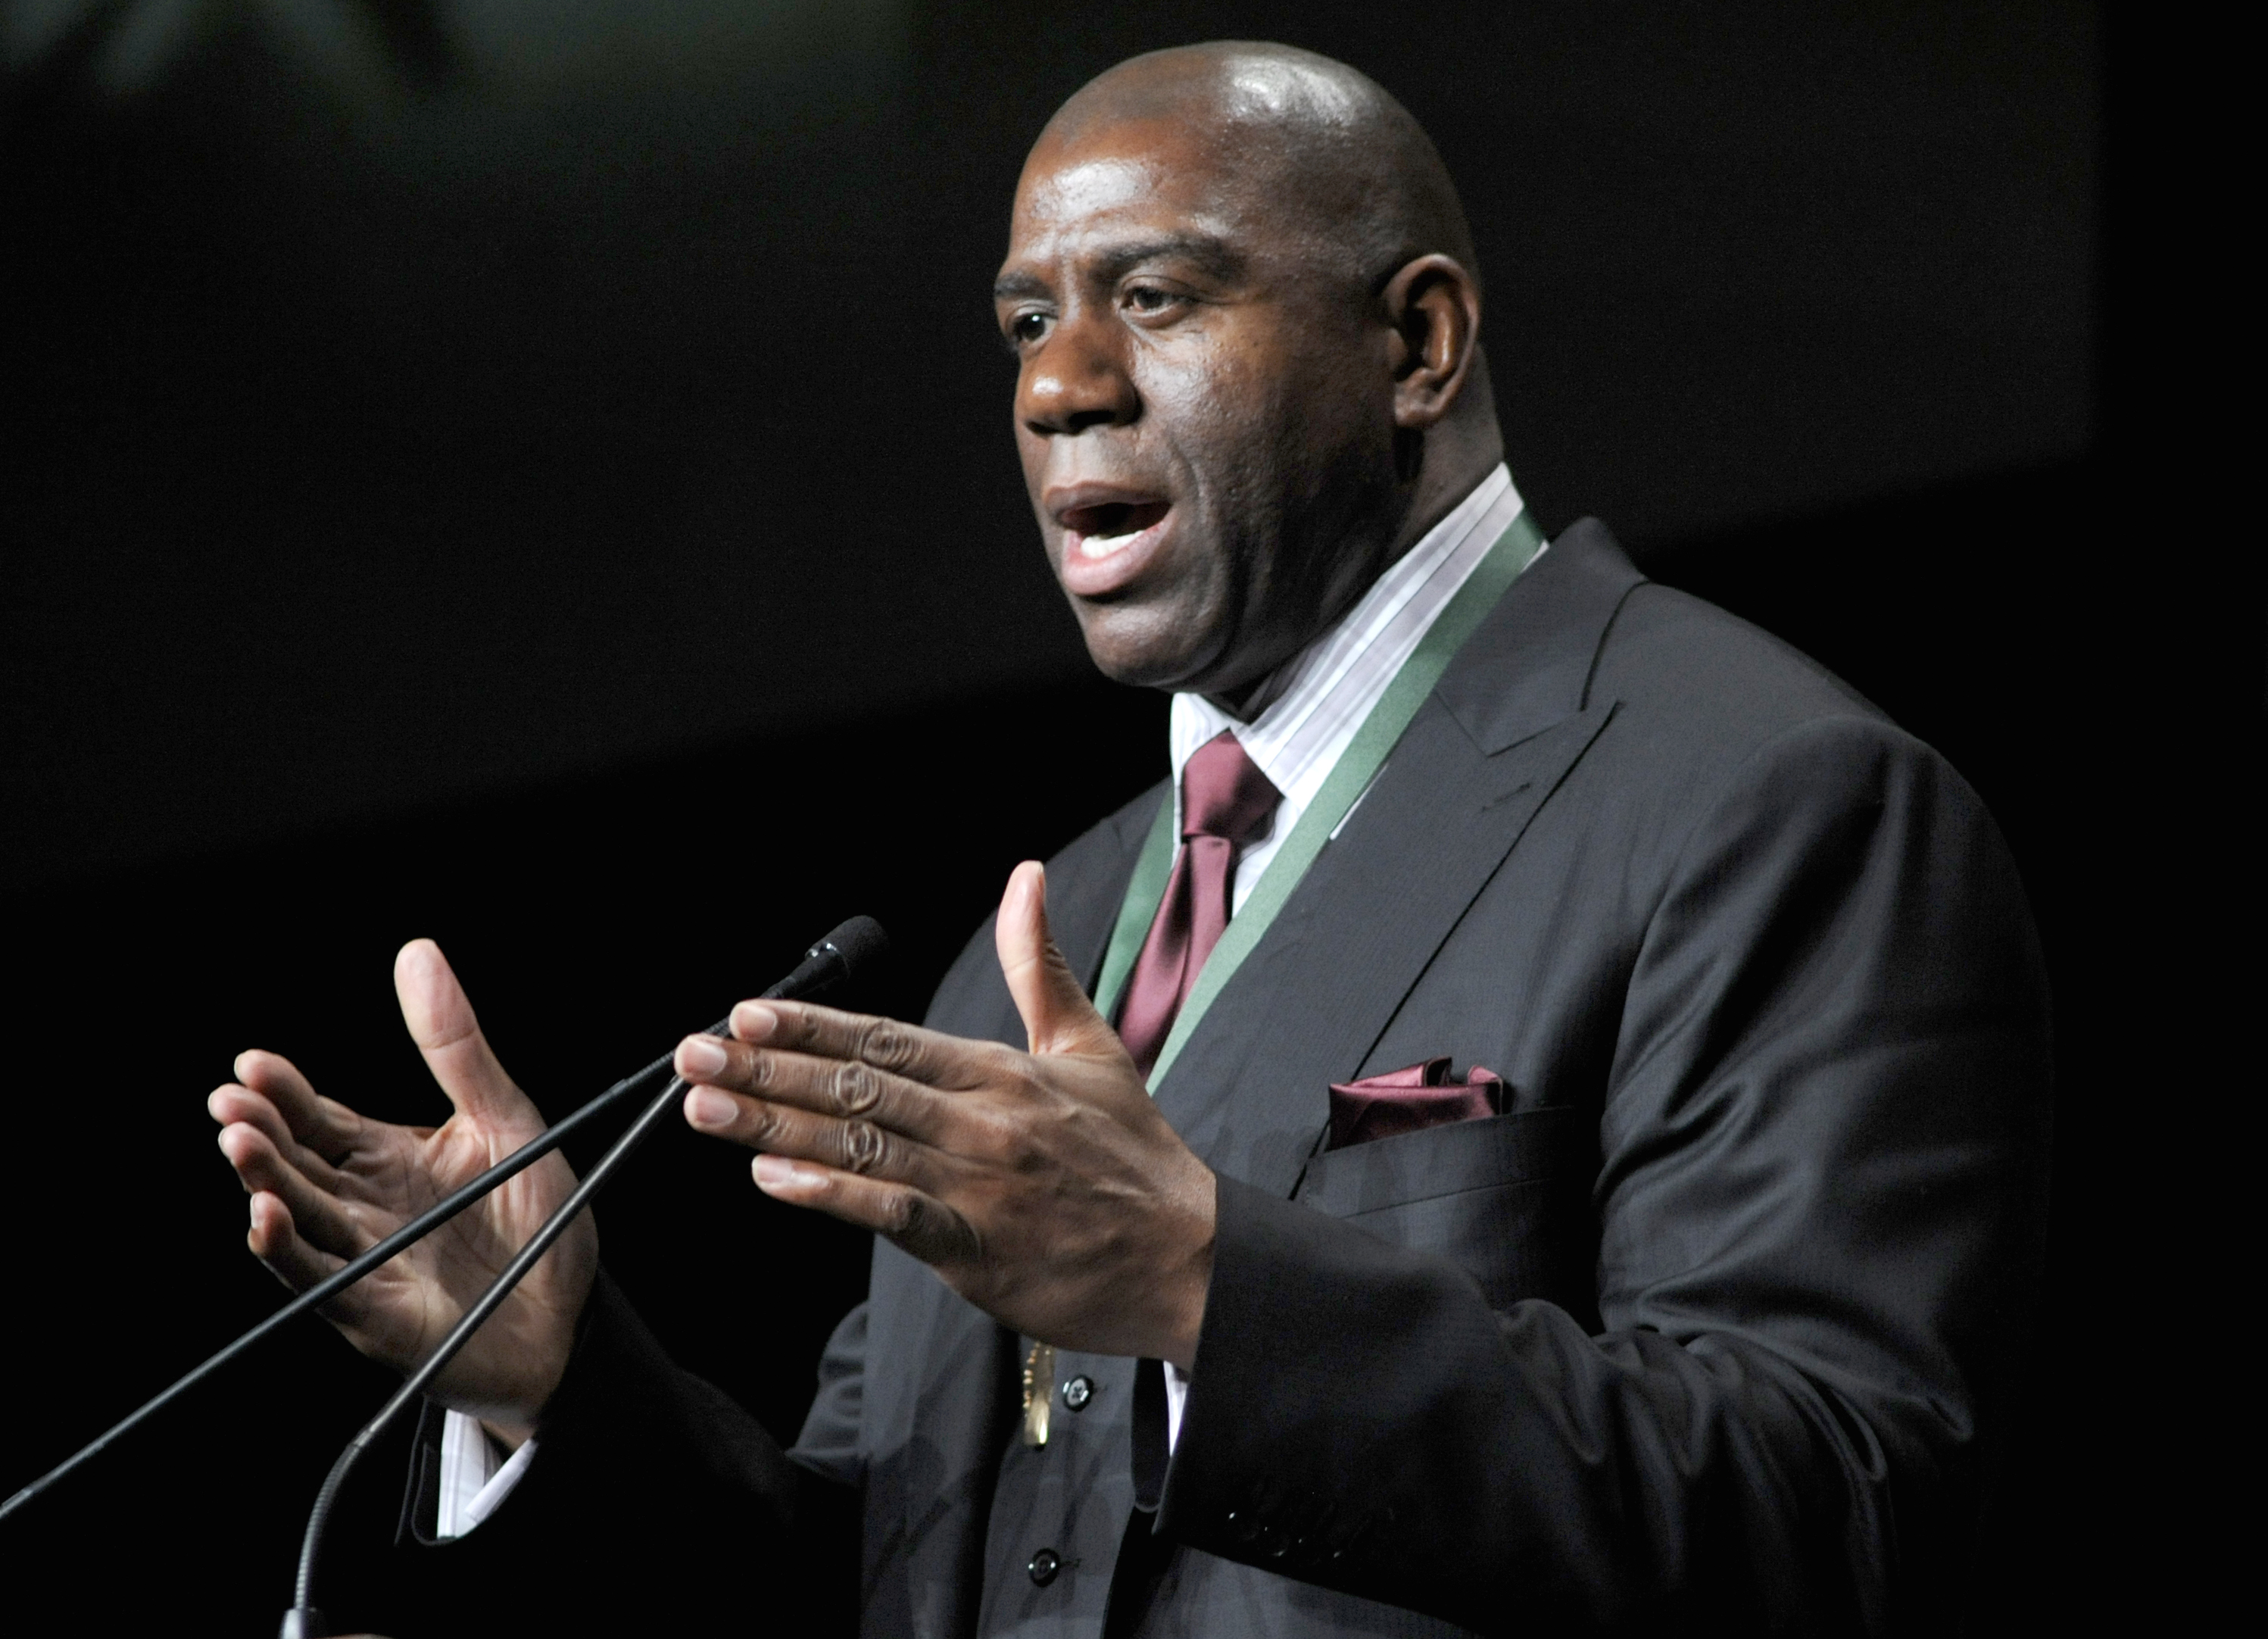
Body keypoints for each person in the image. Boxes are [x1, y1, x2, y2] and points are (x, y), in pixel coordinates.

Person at [209, 42, 2051, 1637]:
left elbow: (1839, 1509)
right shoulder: (1044, 945)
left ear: (1415, 340)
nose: (1056, 385)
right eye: (1027, 320)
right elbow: (888, 1585)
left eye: (1154, 299)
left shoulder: (1764, 795)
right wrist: (559, 1383)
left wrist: (1207, 1286)